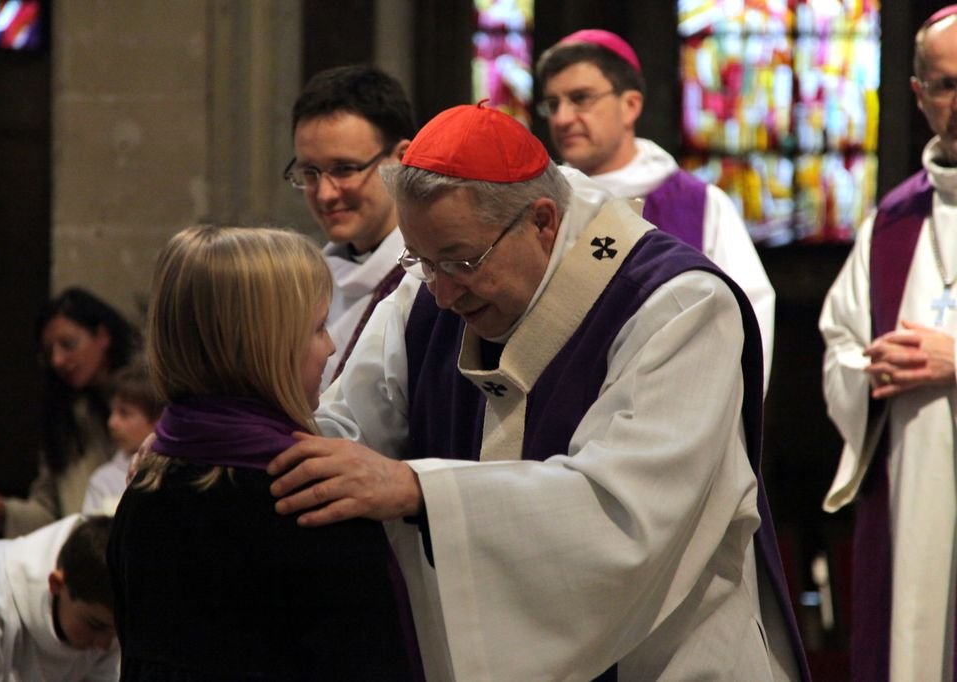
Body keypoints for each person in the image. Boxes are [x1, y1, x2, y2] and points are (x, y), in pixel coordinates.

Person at [267, 103, 809, 680]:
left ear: (543, 221)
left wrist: (419, 489)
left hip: (663, 659)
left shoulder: (678, 306)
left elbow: (625, 513)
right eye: (423, 261)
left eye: (461, 261)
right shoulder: (424, 291)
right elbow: (345, 431)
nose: (444, 292)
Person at [108, 226, 418, 680]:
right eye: (317, 328)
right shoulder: (311, 497)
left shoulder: (149, 480)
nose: (332, 348)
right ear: (265, 346)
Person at [819, 7, 957, 680]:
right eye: (946, 84)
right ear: (918, 94)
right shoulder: (891, 222)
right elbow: (839, 346)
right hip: (912, 496)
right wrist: (869, 370)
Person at [535, 29, 777, 391]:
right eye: (553, 104)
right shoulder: (540, 206)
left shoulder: (703, 206)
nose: (562, 118)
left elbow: (747, 318)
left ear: (630, 105)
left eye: (580, 99)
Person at [0, 288, 141, 541]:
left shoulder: (152, 400)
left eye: (68, 344)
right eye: (49, 352)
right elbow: (50, 511)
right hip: (81, 552)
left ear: (102, 336)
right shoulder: (66, 418)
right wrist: (3, 512)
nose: (57, 360)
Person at [285, 64, 417, 387]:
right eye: (310, 173)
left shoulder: (429, 285)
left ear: (401, 159)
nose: (326, 194)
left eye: (344, 169)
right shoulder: (303, 283)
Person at [0, 514, 118, 681]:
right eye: (95, 626)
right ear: (56, 584)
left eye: (117, 632)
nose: (105, 645)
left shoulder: (107, 620)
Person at [81, 358, 164, 516]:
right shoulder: (103, 480)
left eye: (124, 413)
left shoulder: (174, 471)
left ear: (158, 420)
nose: (112, 422)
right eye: (112, 412)